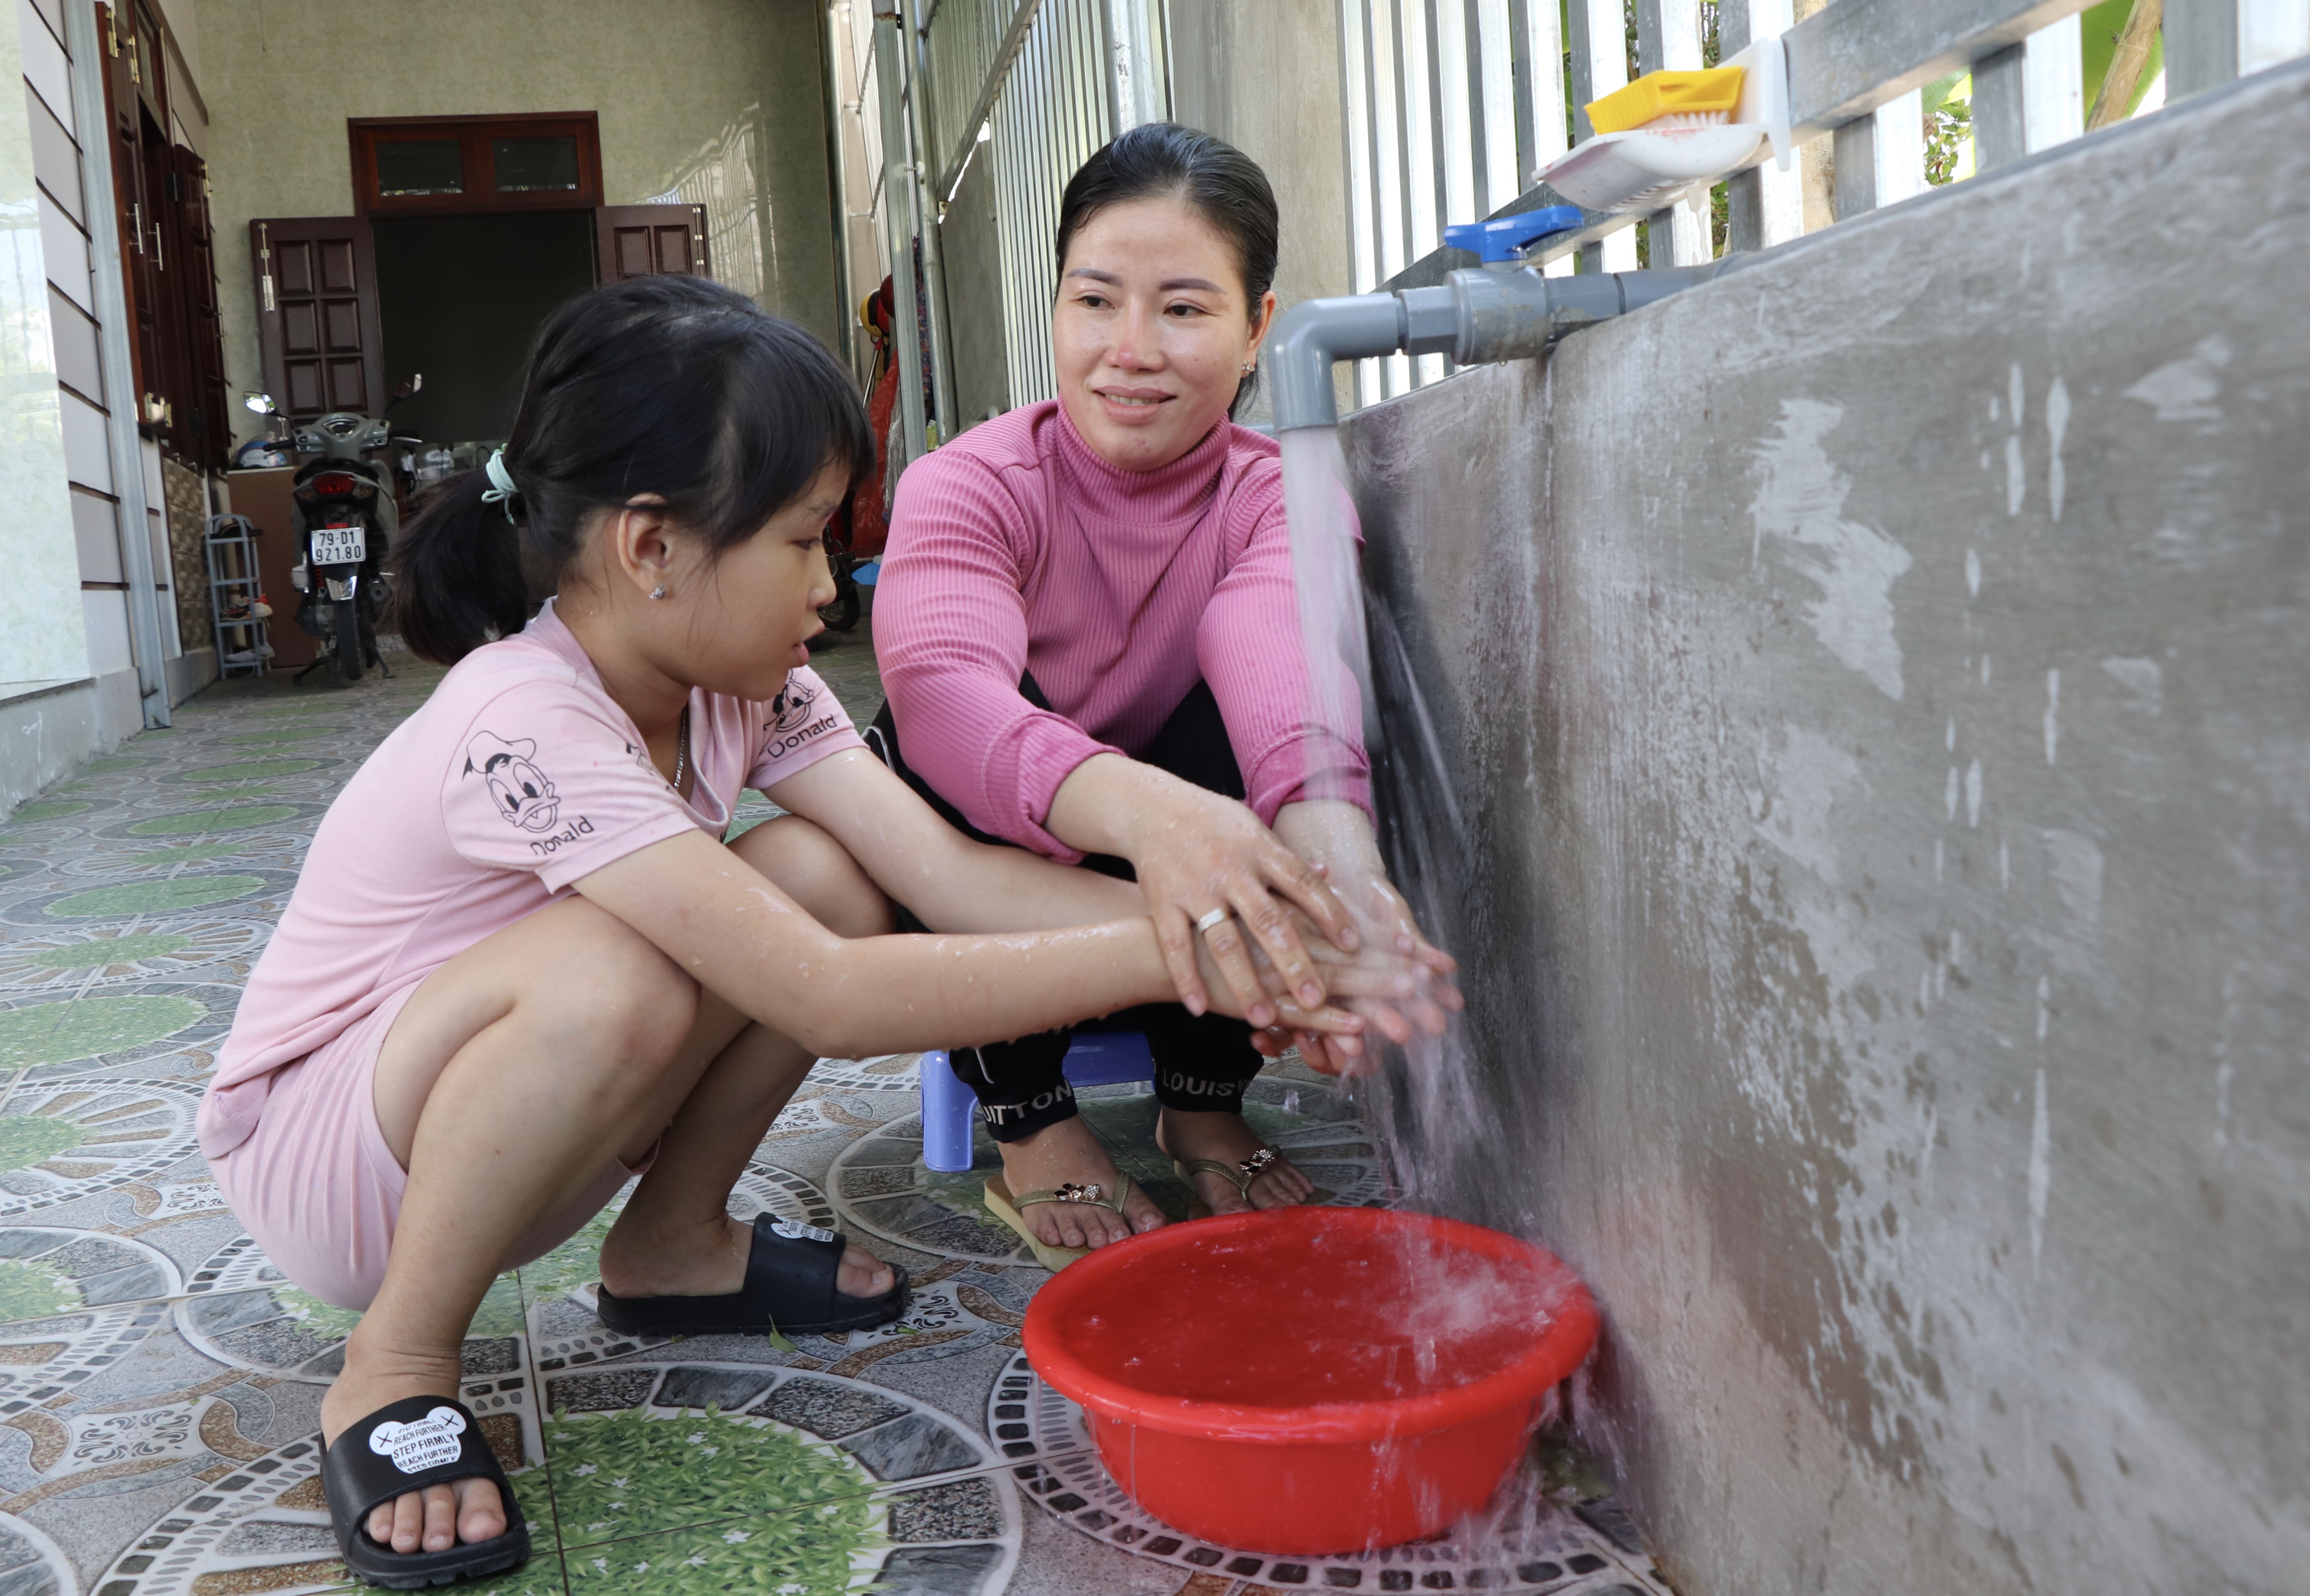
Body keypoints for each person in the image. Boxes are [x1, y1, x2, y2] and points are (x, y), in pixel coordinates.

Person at [195, 275, 1384, 1588]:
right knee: (620, 971)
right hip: (338, 1160)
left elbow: (945, 874)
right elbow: (825, 997)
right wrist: (1205, 955)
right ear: (652, 549)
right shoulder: (524, 715)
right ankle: (396, 1364)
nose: (829, 586)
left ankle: (672, 1248)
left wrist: (1262, 928)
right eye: (803, 541)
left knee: (821, 873)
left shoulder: (745, 689)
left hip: (510, 1119)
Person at [874, 123, 1459, 1267]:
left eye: (1184, 309)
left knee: (1274, 748)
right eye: (1096, 302)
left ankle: (1202, 1099)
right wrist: (1158, 819)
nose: (1130, 351)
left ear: (1257, 329)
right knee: (918, 742)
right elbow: (947, 695)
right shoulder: (968, 485)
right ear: (1056, 306)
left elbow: (1277, 653)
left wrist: (1338, 872)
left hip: (1208, 912)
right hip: (1012, 892)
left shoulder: (1280, 494)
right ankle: (1030, 1119)